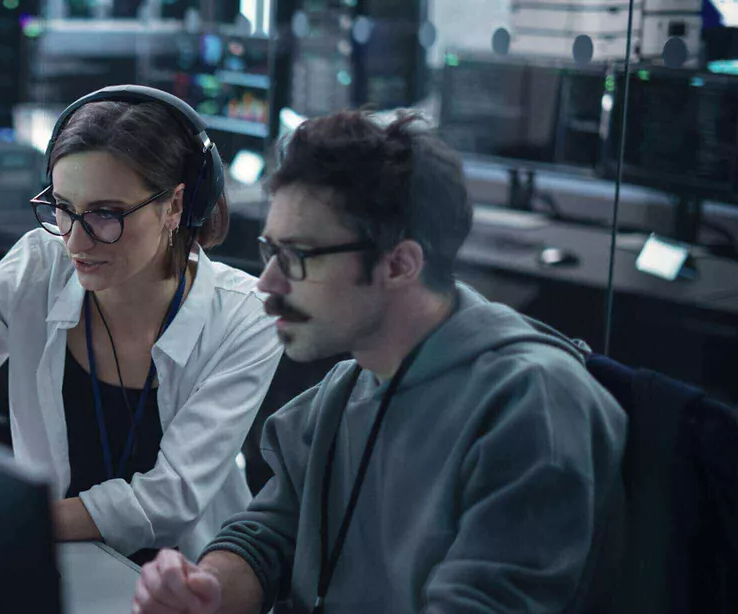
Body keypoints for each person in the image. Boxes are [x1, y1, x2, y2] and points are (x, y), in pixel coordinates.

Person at [133, 110, 626, 613]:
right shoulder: (348, 387)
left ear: (398, 264)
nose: (268, 284)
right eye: (271, 251)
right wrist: (207, 590)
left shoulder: (532, 403)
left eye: (297, 257)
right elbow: (267, 538)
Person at [0, 86, 283, 561]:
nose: (75, 241)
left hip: (180, 583)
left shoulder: (246, 317)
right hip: (58, 563)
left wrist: (1, 516)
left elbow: (168, 502)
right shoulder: (38, 265)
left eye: (106, 213)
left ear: (175, 206)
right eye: (62, 207)